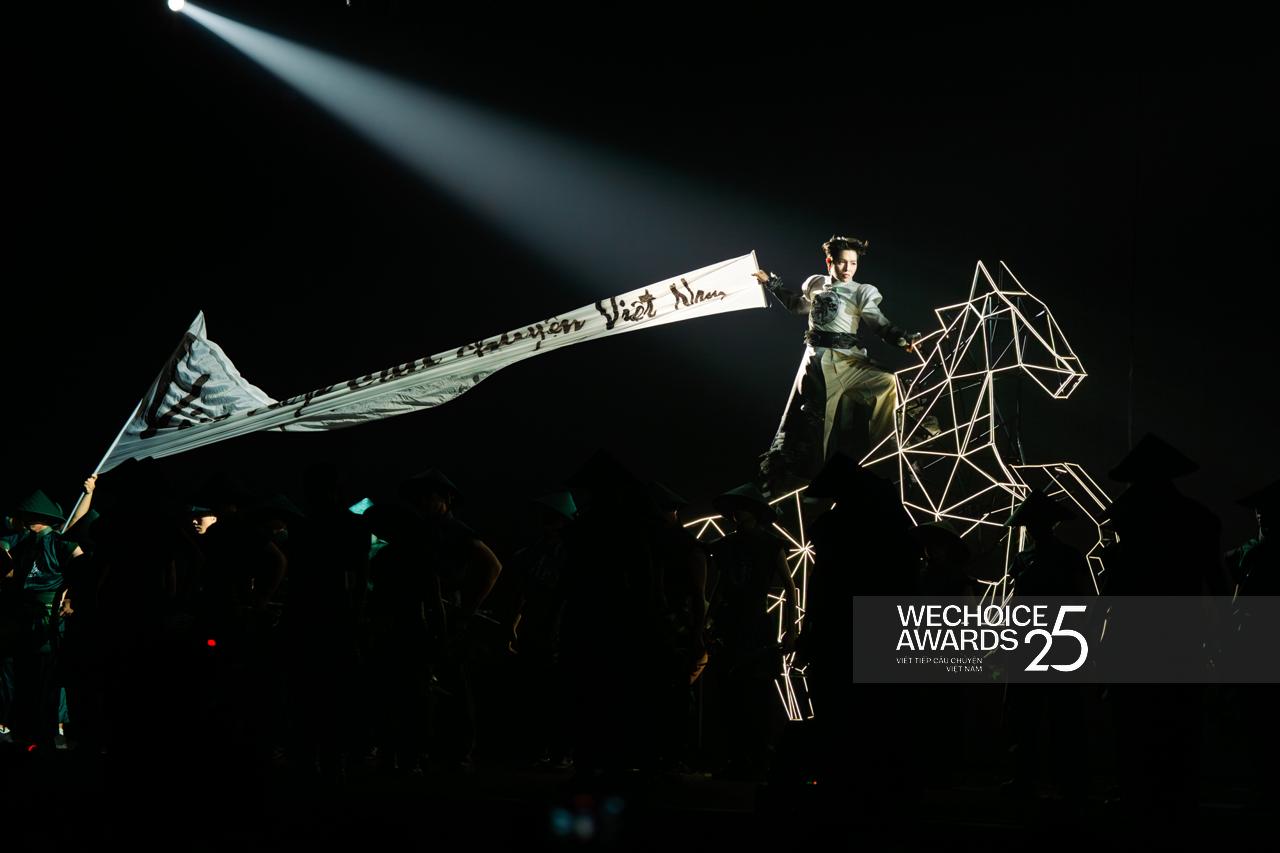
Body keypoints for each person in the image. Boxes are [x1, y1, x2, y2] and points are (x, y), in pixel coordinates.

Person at [756, 235, 920, 490]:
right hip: (817, 363)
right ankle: (805, 486)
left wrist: (902, 338)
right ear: (829, 262)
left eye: (853, 263)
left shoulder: (861, 291)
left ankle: (888, 460)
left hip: (849, 360)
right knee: (816, 427)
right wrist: (772, 285)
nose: (848, 269)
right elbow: (798, 306)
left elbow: (879, 323)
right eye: (843, 262)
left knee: (888, 382)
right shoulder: (815, 284)